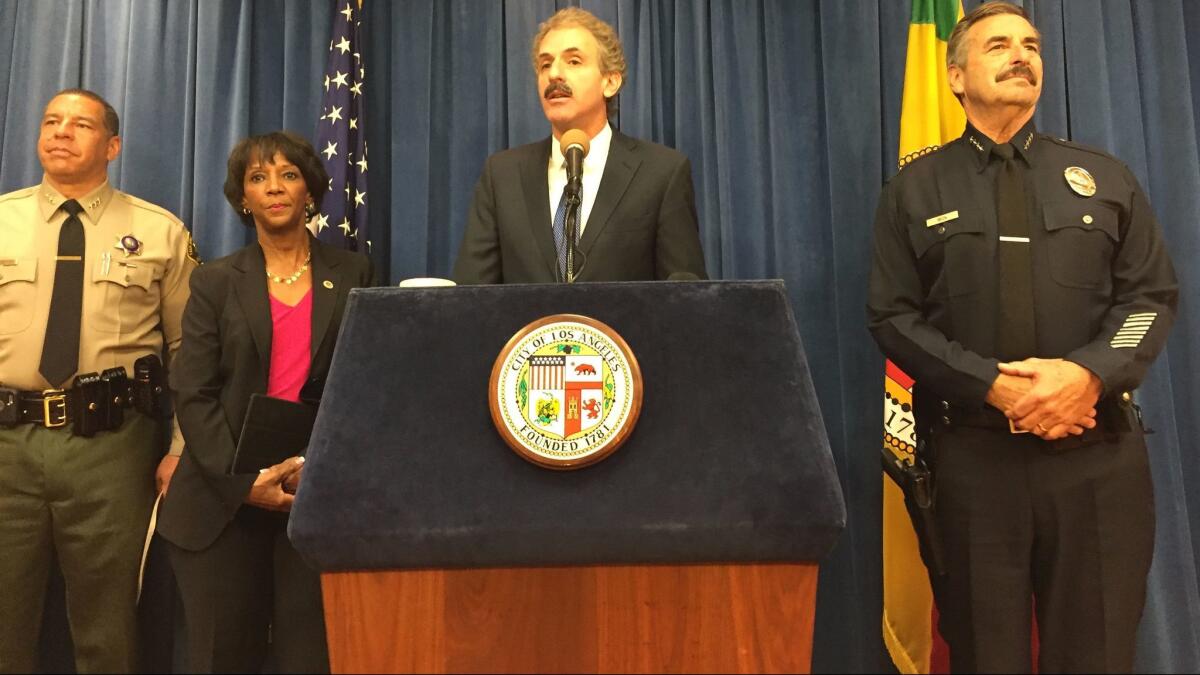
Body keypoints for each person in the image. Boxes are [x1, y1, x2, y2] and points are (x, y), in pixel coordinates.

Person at [867, 2, 1177, 672]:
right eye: (999, 44)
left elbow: (1150, 300)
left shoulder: (1105, 178)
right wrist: (994, 387)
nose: (1022, 55)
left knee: (1095, 653)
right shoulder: (913, 190)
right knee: (986, 656)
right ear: (955, 76)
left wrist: (1088, 374)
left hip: (1095, 456)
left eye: (1032, 44)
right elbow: (893, 317)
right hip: (974, 464)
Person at [156, 131, 374, 673]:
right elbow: (194, 393)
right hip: (219, 504)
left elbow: (363, 389)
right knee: (223, 657)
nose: (274, 187)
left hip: (311, 498)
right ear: (242, 198)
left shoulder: (355, 275)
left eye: (288, 175)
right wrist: (242, 483)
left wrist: (310, 471)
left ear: (310, 193)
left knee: (311, 660)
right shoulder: (214, 282)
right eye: (258, 178)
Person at [0, 89, 196, 673]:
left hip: (111, 446)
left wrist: (183, 446)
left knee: (107, 625)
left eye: (80, 124)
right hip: (7, 443)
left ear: (111, 146)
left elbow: (188, 349)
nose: (61, 132)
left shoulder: (159, 232)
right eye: (51, 120)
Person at [452, 7, 707, 283]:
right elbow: (472, 295)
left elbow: (686, 296)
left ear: (610, 82)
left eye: (573, 61)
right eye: (545, 64)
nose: (554, 75)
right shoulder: (502, 176)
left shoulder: (662, 173)